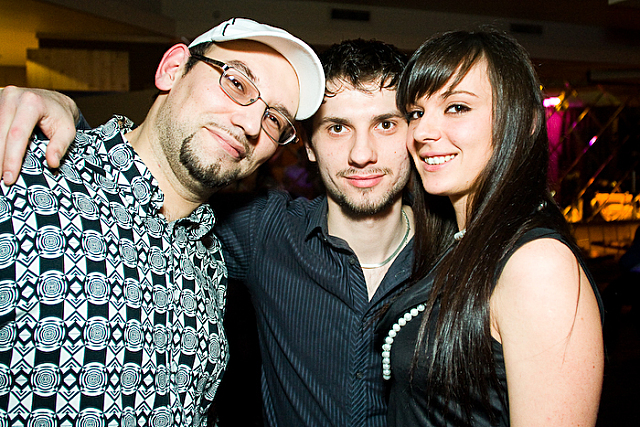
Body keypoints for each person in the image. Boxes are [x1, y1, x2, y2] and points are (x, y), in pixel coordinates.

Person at [0, 39, 413, 426]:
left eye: (386, 124)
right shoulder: (25, 180)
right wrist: (60, 115)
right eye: (236, 83)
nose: (362, 153)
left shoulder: (207, 244)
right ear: (307, 145)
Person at [379, 29, 604, 426]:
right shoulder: (462, 244)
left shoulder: (537, 265)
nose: (423, 132)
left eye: (457, 107)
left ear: (524, 122)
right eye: (416, 113)